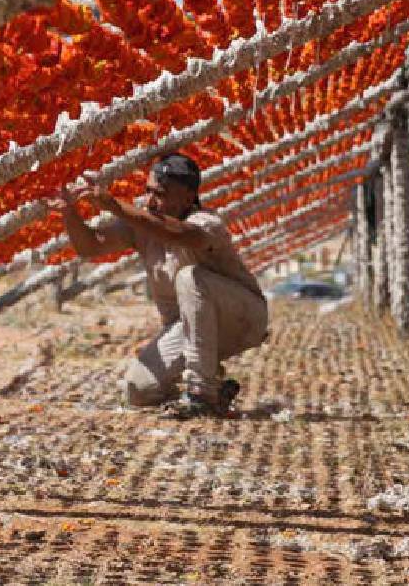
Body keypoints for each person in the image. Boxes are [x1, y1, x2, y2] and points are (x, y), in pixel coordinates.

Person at [49, 153, 269, 418]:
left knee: (191, 277)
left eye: (161, 194)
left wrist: (115, 206)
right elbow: (90, 245)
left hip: (241, 318)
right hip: (187, 328)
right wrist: (68, 212)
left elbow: (179, 234)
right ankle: (214, 387)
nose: (151, 202)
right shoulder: (142, 225)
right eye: (148, 192)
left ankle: (202, 393)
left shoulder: (205, 223)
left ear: (188, 197)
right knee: (138, 389)